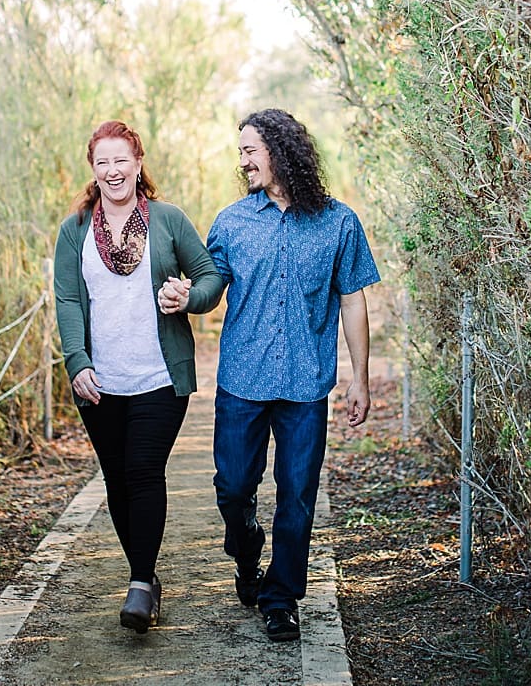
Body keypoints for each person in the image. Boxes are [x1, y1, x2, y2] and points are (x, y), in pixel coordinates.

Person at [177, 107, 379, 643]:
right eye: (240, 151)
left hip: (306, 386)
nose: (242, 161)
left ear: (281, 149)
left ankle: (281, 596)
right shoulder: (232, 222)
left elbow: (354, 302)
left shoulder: (339, 223)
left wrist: (359, 378)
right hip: (241, 381)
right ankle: (246, 553)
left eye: (250, 150)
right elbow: (209, 288)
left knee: (298, 496)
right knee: (232, 487)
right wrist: (184, 297)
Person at [53, 120, 223, 634]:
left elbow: (211, 277)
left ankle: (142, 583)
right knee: (117, 481)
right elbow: (65, 299)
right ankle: (144, 578)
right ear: (93, 169)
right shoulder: (75, 230)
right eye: (102, 162)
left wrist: (187, 298)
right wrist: (77, 362)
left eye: (120, 160)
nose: (112, 171)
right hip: (99, 383)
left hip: (157, 375)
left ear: (139, 162)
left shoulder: (168, 220)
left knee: (143, 471)